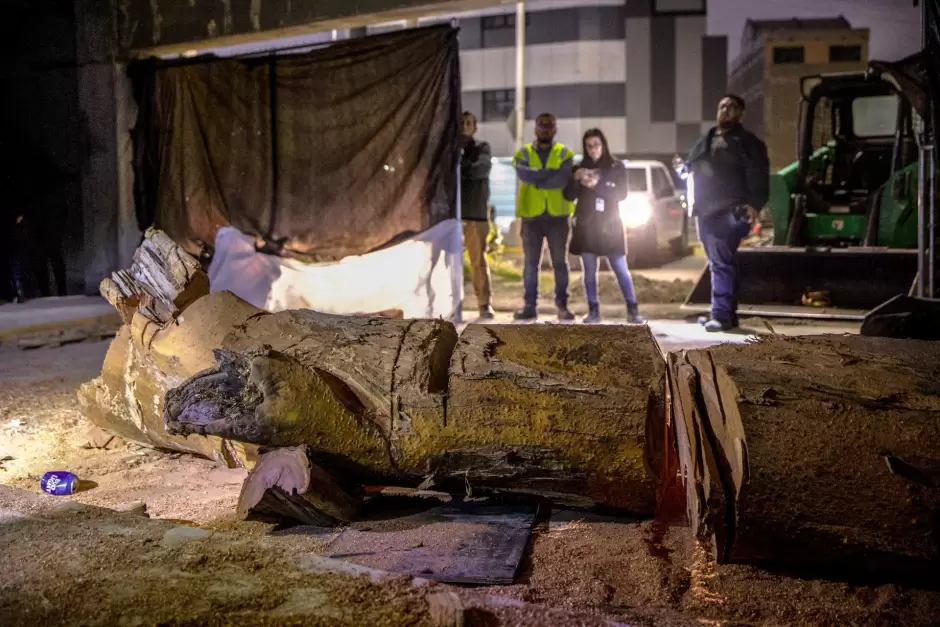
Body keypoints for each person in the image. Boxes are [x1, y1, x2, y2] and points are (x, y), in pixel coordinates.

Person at [685, 94, 769, 332]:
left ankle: (721, 315)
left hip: (730, 209)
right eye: (722, 106)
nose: (725, 110)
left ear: (741, 113)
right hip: (705, 209)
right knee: (719, 262)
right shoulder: (708, 138)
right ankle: (725, 313)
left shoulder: (747, 142)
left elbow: (759, 173)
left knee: (721, 262)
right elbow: (693, 164)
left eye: (732, 107)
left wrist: (754, 203)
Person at [565, 129, 643, 324]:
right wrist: (576, 179)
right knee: (589, 271)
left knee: (620, 268)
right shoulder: (579, 167)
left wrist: (597, 185)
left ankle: (633, 309)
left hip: (610, 225)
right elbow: (568, 195)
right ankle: (593, 311)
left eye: (596, 145)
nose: (593, 150)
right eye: (589, 146)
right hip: (587, 226)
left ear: (603, 145)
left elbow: (621, 193)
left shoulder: (616, 167)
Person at [512, 113, 576, 321]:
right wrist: (550, 173)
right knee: (531, 264)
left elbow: (561, 180)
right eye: (542, 126)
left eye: (549, 126)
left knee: (560, 263)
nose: (545, 130)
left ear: (555, 129)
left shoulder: (565, 153)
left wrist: (537, 178)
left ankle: (562, 306)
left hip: (558, 216)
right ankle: (530, 306)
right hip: (532, 217)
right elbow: (525, 175)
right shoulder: (523, 153)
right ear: (535, 129)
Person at [459, 111, 496, 320]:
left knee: (478, 262)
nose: (465, 126)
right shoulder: (448, 149)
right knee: (448, 263)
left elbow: (479, 170)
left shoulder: (482, 148)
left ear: (475, 127)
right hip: (452, 216)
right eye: (461, 123)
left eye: (468, 123)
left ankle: (484, 304)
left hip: (476, 213)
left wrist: (460, 166)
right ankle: (451, 303)